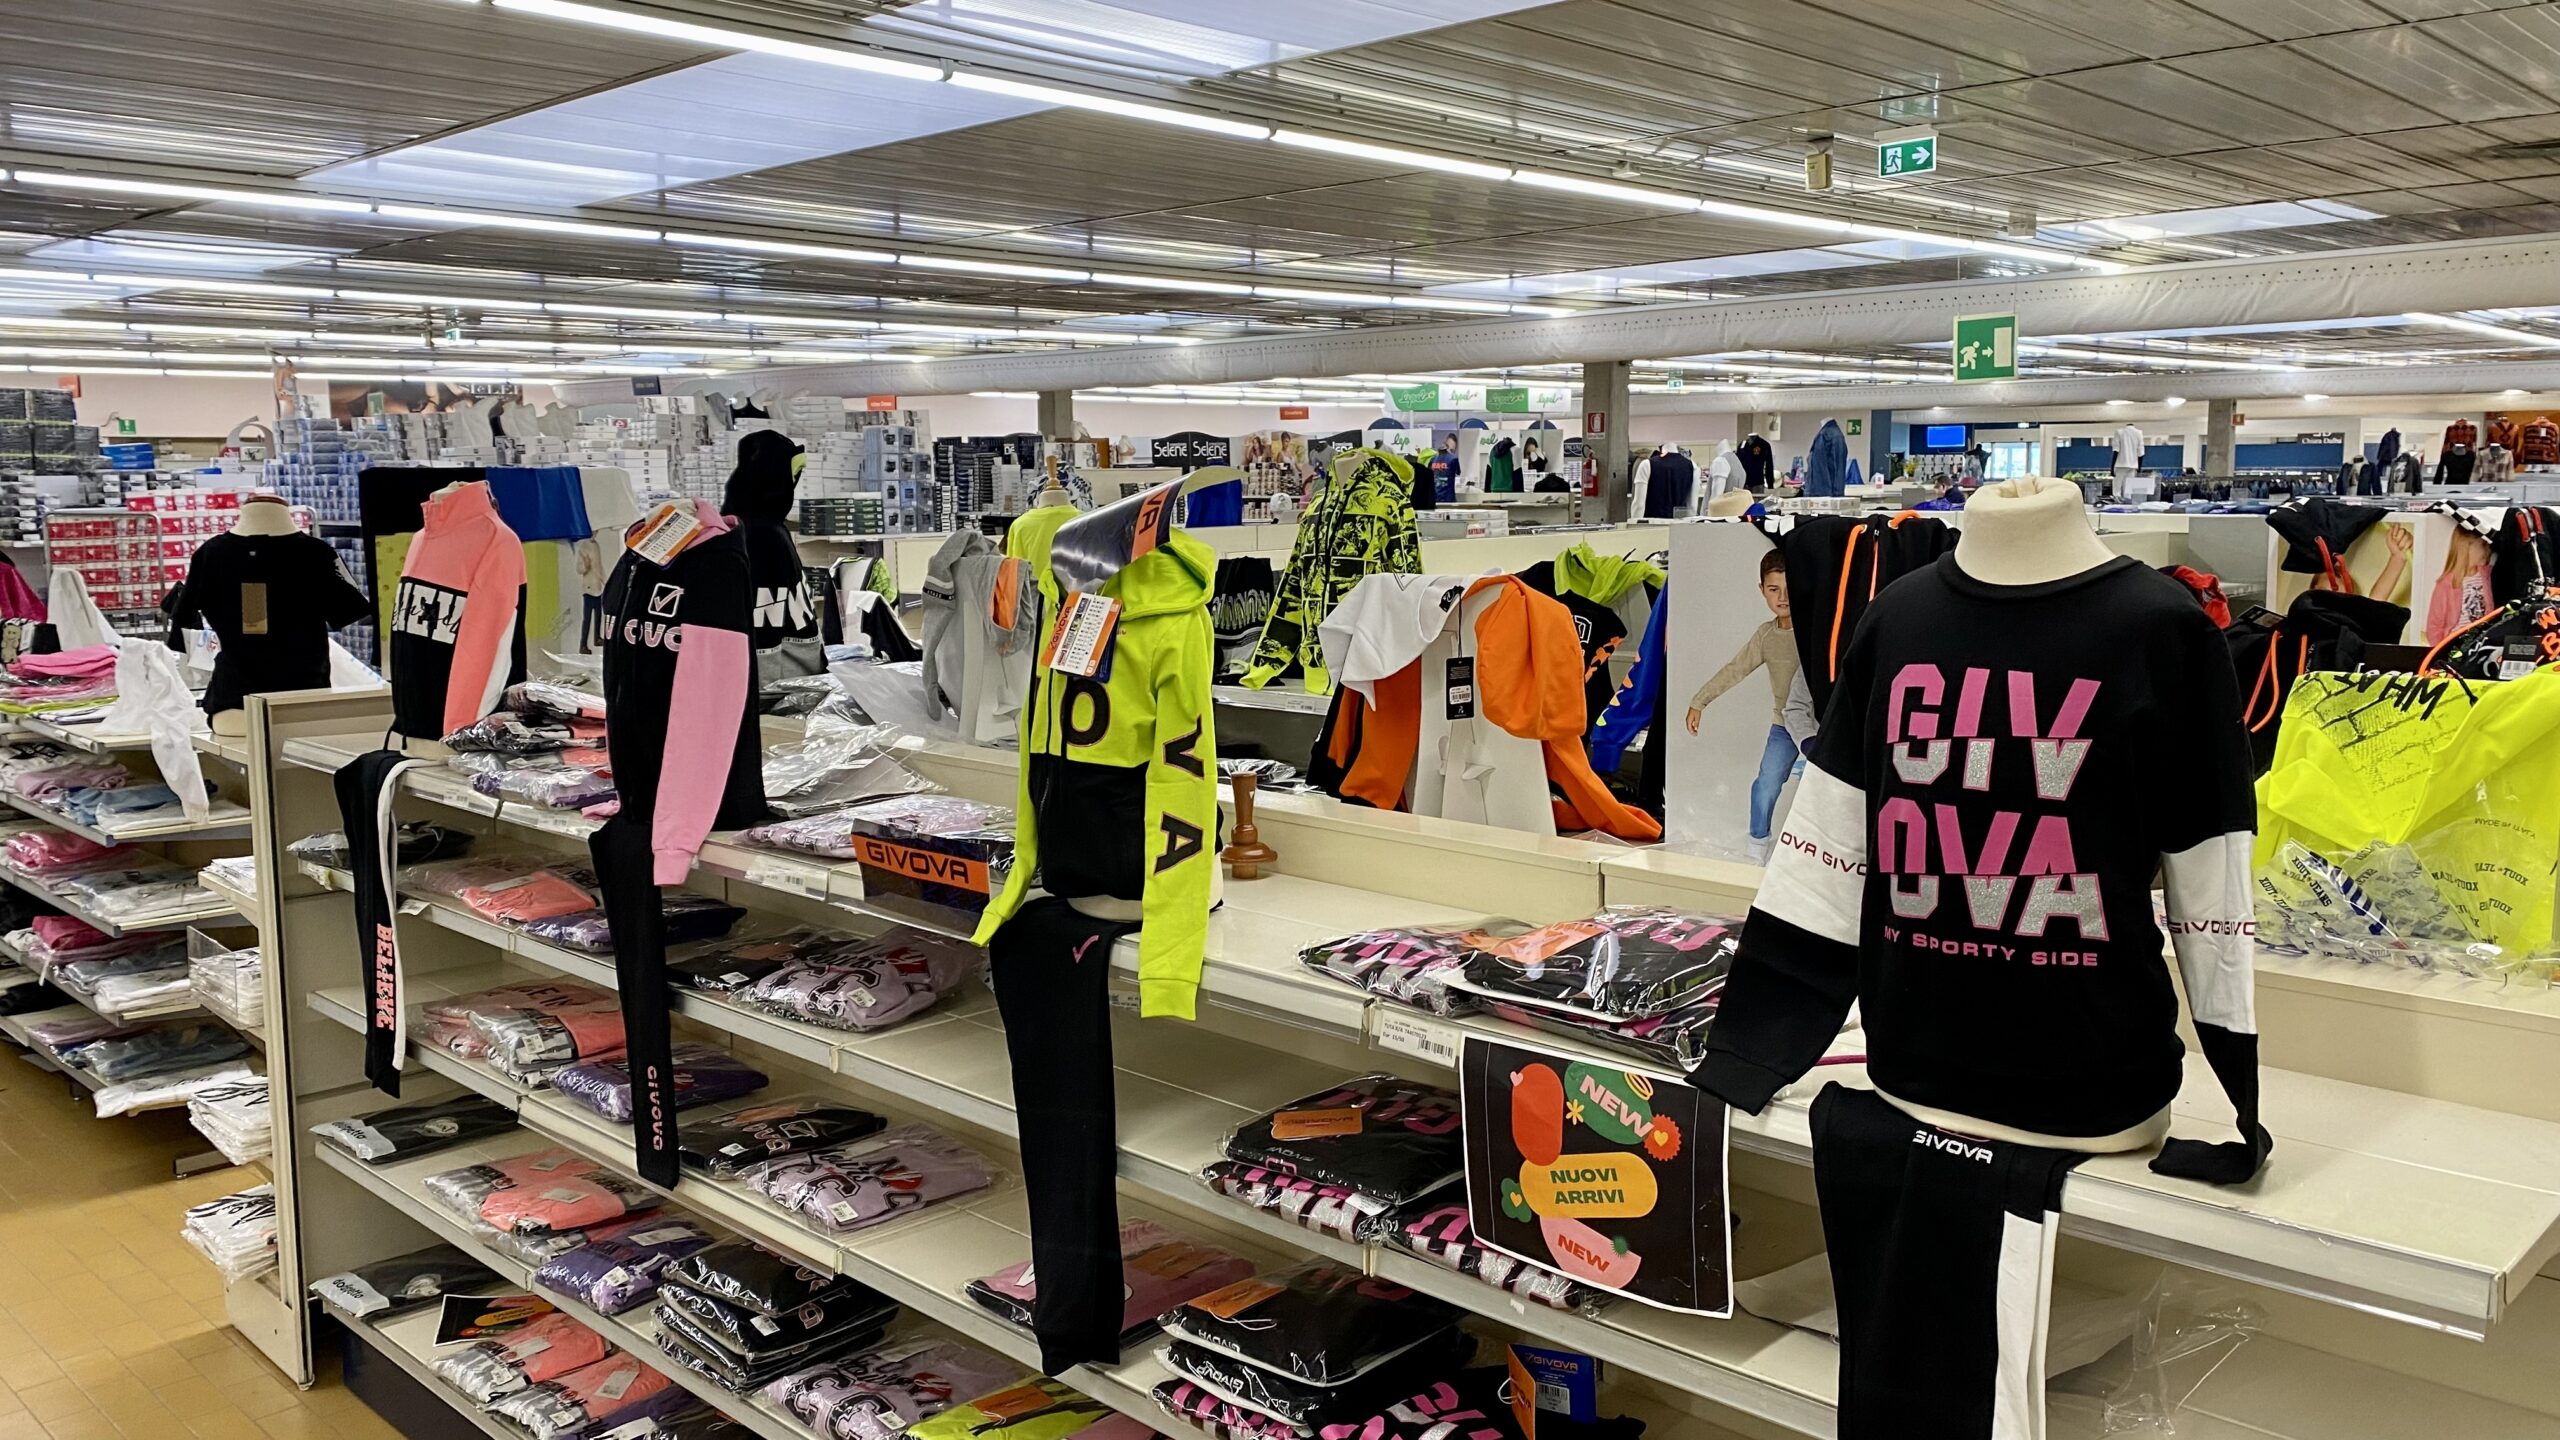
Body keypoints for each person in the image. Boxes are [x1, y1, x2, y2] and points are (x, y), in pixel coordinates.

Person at [1685, 548, 1802, 860]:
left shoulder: (1816, 629)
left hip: (1822, 727)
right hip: (1784, 726)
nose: (1782, 598)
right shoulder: (1766, 635)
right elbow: (1735, 669)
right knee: (1765, 785)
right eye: (1774, 589)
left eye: (1789, 588)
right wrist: (1699, 701)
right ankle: (1756, 849)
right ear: (1761, 590)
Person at [1428, 435, 1463, 505]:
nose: (1451, 451)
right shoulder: (1433, 459)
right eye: (1450, 449)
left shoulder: (1434, 459)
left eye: (1452, 450)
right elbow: (1458, 472)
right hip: (1443, 499)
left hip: (1444, 498)